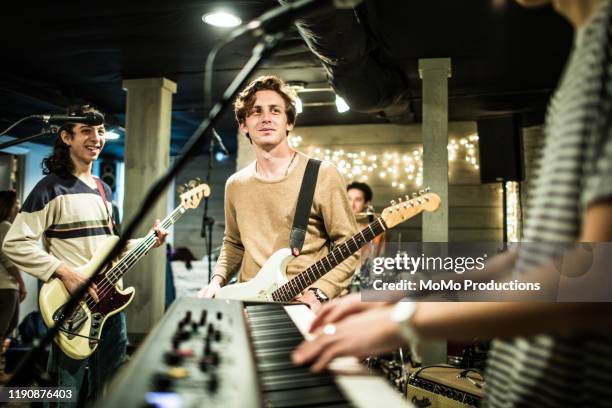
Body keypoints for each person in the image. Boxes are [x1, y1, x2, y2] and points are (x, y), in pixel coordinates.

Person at [293, 1, 612, 407]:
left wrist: (405, 321)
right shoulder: (586, 51)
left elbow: (598, 279)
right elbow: (541, 258)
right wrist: (412, 290)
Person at [2, 104, 167, 406]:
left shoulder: (103, 190)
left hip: (111, 308)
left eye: (101, 131)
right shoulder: (49, 188)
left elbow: (108, 248)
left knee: (113, 385)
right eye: (87, 131)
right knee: (68, 390)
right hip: (73, 306)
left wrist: (148, 241)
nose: (97, 138)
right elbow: (14, 244)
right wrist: (65, 272)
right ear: (66, 137)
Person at [197, 75, 359, 308]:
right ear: (243, 124)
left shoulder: (322, 174)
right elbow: (234, 243)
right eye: (256, 112)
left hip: (301, 304)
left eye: (275, 111)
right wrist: (216, 281)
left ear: (289, 122)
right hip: (248, 302)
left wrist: (320, 293)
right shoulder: (235, 184)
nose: (266, 118)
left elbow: (349, 245)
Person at [0, 190, 25, 384]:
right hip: (6, 287)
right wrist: (22, 283)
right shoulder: (5, 226)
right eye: (16, 203)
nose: (19, 206)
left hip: (8, 287)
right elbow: (8, 261)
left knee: (8, 329)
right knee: (3, 330)